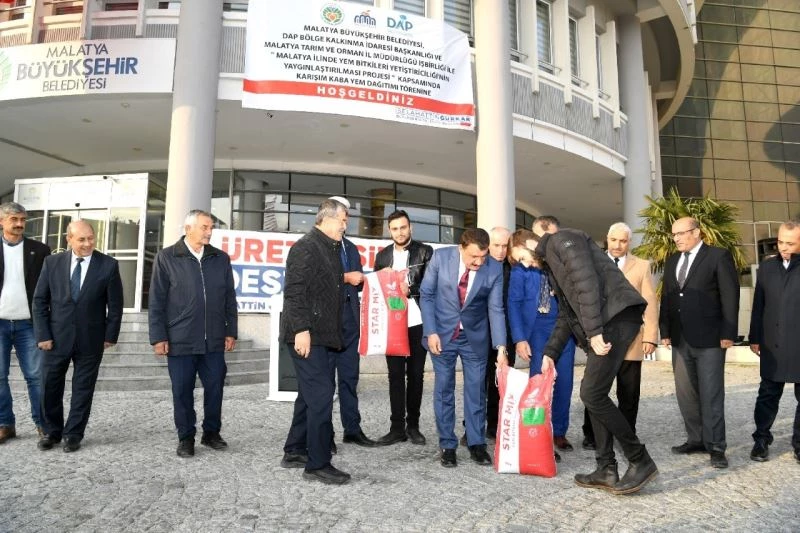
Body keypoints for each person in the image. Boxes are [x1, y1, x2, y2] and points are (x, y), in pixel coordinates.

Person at [533, 215, 656, 495]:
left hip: (614, 321)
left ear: (534, 238)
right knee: (596, 394)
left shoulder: (563, 241)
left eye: (521, 256)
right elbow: (568, 313)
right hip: (610, 321)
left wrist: (595, 332)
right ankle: (606, 468)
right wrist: (551, 352)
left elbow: (587, 284)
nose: (524, 262)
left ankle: (639, 459)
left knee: (592, 394)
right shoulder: (553, 260)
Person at [148, 210, 238, 458]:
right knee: (182, 390)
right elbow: (156, 300)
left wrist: (231, 330)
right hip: (180, 339)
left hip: (214, 339)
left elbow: (229, 297)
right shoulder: (166, 257)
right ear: (188, 228)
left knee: (215, 388)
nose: (209, 232)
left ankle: (211, 433)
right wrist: (158, 337)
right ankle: (185, 437)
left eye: (211, 228)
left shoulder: (220, 258)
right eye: (204, 227)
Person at [33, 220, 123, 452]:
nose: (87, 243)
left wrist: (110, 335)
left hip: (91, 339)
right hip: (54, 338)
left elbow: (115, 306)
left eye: (90, 238)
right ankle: (51, 431)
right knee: (49, 386)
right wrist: (42, 334)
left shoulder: (109, 265)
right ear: (69, 239)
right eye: (81, 239)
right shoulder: (52, 263)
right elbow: (40, 300)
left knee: (83, 388)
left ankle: (73, 434)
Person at [420, 228, 506, 468]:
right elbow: (426, 294)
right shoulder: (440, 258)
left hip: (474, 338)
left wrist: (500, 346)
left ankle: (477, 443)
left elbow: (496, 308)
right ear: (461, 248)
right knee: (444, 389)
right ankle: (447, 444)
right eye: (473, 257)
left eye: (483, 257)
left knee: (476, 391)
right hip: (442, 336)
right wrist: (431, 331)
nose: (479, 262)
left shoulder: (495, 268)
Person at [281, 198, 353, 484]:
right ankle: (317, 464)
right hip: (307, 335)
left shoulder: (331, 249)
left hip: (325, 337)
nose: (345, 226)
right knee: (322, 395)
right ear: (326, 219)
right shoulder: (306, 248)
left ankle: (295, 449)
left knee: (310, 395)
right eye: (343, 220)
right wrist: (301, 330)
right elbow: (294, 292)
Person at [660, 216, 739, 469]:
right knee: (686, 394)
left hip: (710, 339)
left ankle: (716, 446)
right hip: (680, 338)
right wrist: (665, 330)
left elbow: (730, 297)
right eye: (674, 235)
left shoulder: (718, 256)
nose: (677, 239)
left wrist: (729, 332)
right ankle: (695, 439)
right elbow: (668, 299)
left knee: (711, 394)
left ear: (697, 232)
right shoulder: (672, 261)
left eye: (681, 234)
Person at [582, 222, 658, 451]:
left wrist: (650, 336)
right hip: (601, 339)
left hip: (632, 339)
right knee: (596, 389)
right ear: (607, 239)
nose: (617, 245)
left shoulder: (642, 266)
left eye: (623, 241)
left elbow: (650, 302)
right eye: (614, 240)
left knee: (629, 392)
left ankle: (627, 434)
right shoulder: (592, 263)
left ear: (629, 242)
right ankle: (592, 435)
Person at [507, 229, 575, 458]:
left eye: (524, 257)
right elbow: (513, 304)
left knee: (564, 382)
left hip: (563, 328)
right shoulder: (520, 271)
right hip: (536, 329)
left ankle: (559, 431)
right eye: (519, 260)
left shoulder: (558, 260)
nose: (524, 264)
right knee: (538, 384)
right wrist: (519, 339)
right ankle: (537, 432)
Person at [373, 209, 433, 446]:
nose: (399, 232)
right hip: (392, 324)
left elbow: (432, 286)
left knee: (416, 376)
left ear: (411, 228)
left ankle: (414, 426)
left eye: (403, 227)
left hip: (417, 322)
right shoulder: (382, 256)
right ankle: (396, 427)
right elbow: (377, 290)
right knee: (395, 376)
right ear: (390, 231)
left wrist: (411, 288)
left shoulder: (425, 251)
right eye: (395, 229)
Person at [325, 196, 377, 449]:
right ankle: (325, 435)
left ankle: (352, 429)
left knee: (349, 380)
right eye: (342, 219)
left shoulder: (351, 248)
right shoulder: (319, 247)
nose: (344, 225)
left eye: (346, 220)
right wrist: (346, 277)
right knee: (324, 384)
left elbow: (358, 284)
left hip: (350, 325)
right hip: (326, 326)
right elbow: (318, 280)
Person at [748, 219, 800, 464]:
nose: (783, 247)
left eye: (790, 243)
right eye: (780, 241)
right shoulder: (767, 268)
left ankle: (798, 443)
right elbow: (758, 305)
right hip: (773, 344)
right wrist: (755, 337)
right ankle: (761, 440)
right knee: (767, 395)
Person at [0, 203, 51, 444]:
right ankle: (5, 424)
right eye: (13, 219)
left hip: (30, 325)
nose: (19, 224)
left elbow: (48, 289)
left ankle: (43, 425)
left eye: (22, 219)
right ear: (2, 221)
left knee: (35, 376)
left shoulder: (40, 250)